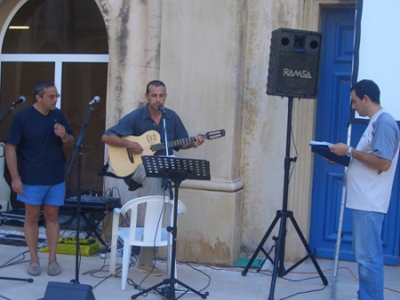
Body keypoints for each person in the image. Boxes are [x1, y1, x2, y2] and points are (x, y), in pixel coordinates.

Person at [101, 80, 204, 276]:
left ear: (165, 96)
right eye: (154, 95)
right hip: (138, 168)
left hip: (162, 169)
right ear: (146, 96)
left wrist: (194, 143)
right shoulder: (136, 117)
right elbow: (106, 137)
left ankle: (146, 261)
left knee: (158, 206)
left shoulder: (170, 118)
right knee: (153, 180)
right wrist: (130, 145)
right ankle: (152, 213)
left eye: (161, 95)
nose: (158, 99)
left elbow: (180, 144)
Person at [329, 80, 400, 300]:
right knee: (365, 258)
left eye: (354, 101)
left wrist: (349, 151)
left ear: (366, 99)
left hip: (370, 202)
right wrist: (338, 156)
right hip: (363, 201)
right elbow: (366, 160)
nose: (352, 106)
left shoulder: (385, 123)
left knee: (369, 259)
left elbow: (383, 162)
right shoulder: (374, 122)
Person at [5, 80, 74, 276]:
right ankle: (34, 260)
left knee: (52, 216)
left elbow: (71, 142)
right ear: (38, 97)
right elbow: (11, 147)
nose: (55, 100)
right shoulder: (22, 118)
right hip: (30, 178)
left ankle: (52, 260)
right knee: (32, 217)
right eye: (51, 97)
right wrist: (15, 178)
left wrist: (64, 136)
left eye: (56, 96)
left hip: (55, 177)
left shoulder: (58, 115)